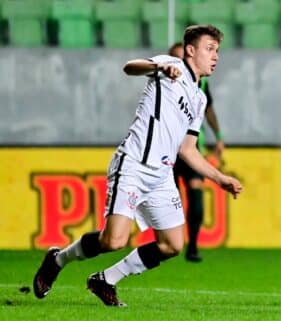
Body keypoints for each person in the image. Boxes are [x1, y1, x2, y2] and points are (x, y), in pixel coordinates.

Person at [32, 25, 242, 307]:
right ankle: (58, 259)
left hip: (162, 176)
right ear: (191, 50)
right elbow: (130, 67)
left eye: (217, 50)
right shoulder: (171, 66)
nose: (215, 56)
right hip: (134, 165)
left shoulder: (200, 98)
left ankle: (105, 279)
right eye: (209, 49)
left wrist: (219, 178)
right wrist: (157, 68)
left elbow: (188, 150)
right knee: (113, 241)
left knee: (172, 245)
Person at [168, 41, 225, 263]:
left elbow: (208, 109)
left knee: (195, 192)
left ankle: (192, 245)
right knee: (170, 196)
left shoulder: (200, 86)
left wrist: (218, 137)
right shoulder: (165, 81)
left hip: (191, 148)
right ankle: (168, 242)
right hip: (167, 151)